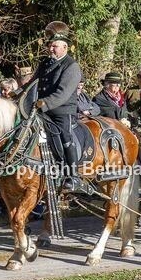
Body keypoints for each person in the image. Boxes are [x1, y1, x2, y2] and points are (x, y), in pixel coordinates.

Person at [26, 22, 83, 191]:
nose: (51, 49)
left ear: (65, 47)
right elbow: (31, 83)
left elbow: (62, 93)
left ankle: (73, 176)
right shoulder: (44, 63)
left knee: (65, 137)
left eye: (55, 46)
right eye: (50, 46)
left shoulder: (72, 66)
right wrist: (18, 93)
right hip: (40, 109)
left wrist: (44, 103)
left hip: (62, 111)